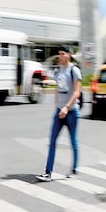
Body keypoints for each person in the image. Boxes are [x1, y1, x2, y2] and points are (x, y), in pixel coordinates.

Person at [36, 45, 82, 181]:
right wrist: (58, 106)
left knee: (73, 141)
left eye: (62, 54)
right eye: (59, 54)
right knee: (52, 141)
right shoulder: (58, 70)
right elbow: (57, 88)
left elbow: (77, 92)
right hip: (59, 111)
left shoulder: (74, 70)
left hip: (72, 111)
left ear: (68, 55)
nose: (60, 56)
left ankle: (74, 169)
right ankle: (48, 172)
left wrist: (66, 107)